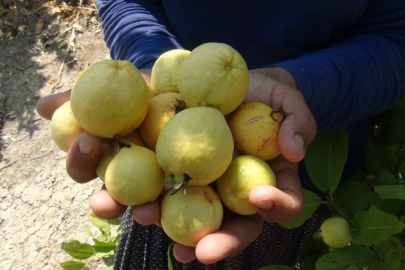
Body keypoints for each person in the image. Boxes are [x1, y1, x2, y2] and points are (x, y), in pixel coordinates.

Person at [36, 1, 405, 269]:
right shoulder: (167, 161)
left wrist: (299, 84)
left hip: (292, 170)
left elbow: (395, 38)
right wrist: (146, 62)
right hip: (165, 184)